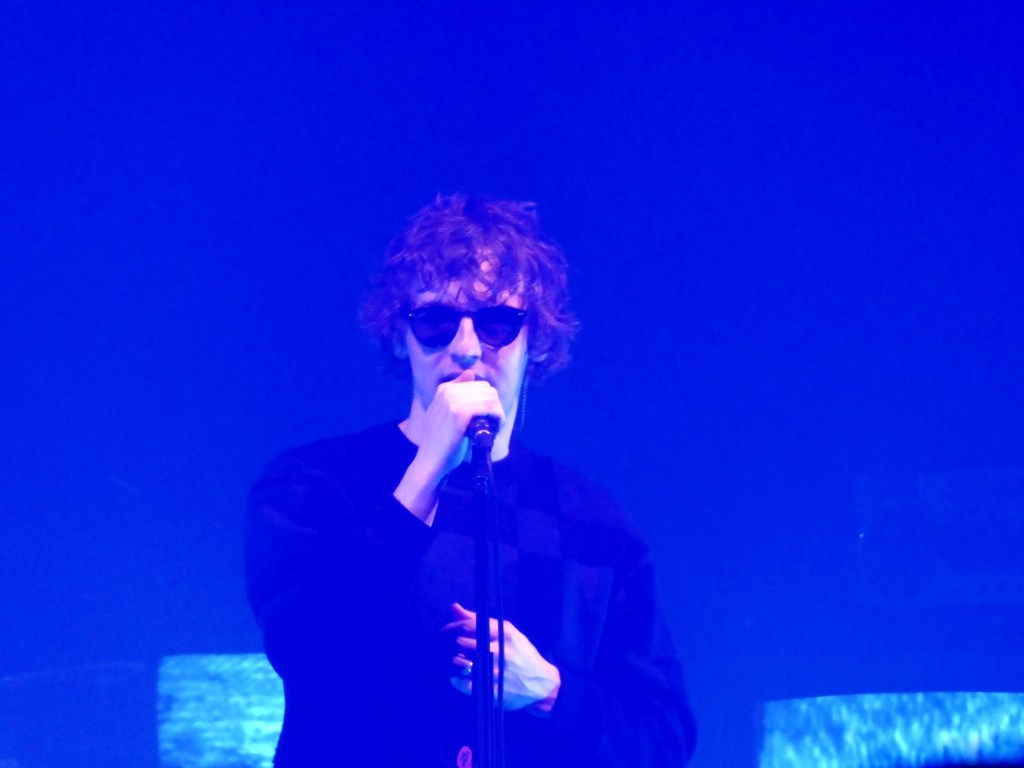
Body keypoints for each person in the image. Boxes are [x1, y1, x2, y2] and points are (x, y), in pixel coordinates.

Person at [245, 194, 698, 767]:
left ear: (537, 341)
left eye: (496, 322)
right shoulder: (313, 486)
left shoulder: (593, 524)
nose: (465, 348)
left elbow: (664, 737)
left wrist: (551, 692)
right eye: (435, 321)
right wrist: (426, 471)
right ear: (398, 337)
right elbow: (306, 651)